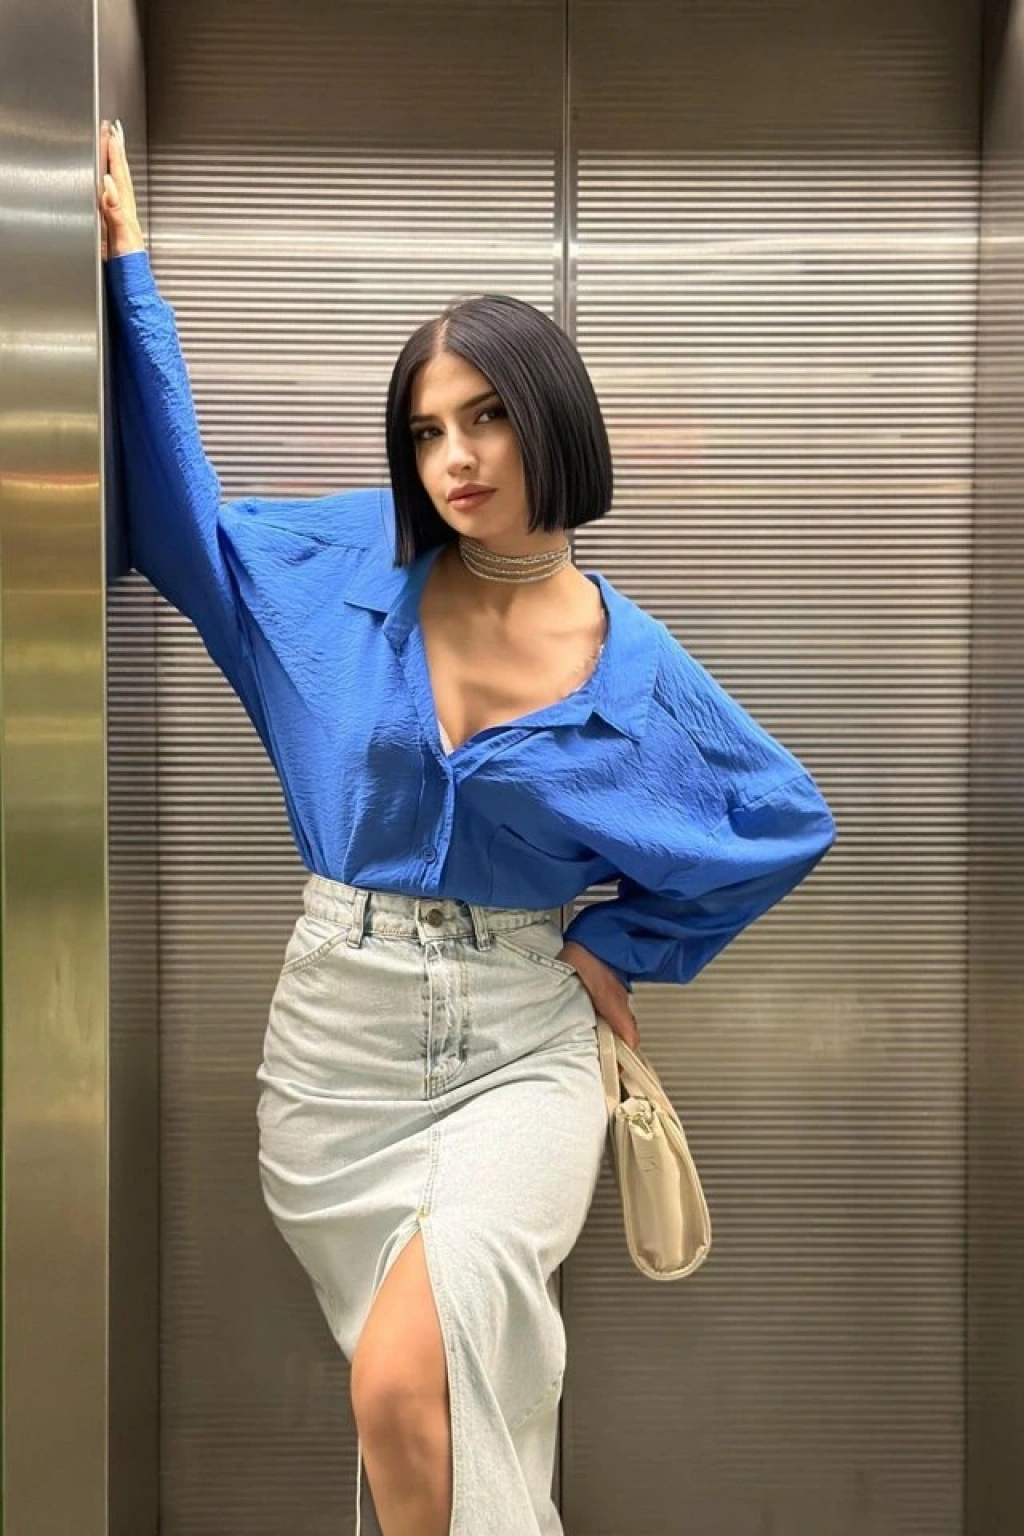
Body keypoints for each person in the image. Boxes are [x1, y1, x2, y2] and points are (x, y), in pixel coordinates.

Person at [98, 118, 836, 1536]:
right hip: (339, 1047)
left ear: (552, 420)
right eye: (427, 430)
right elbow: (183, 524)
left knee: (401, 1384)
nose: (456, 456)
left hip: (521, 1044)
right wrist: (134, 283)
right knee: (424, 1407)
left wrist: (621, 946)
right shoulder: (335, 567)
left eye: (488, 416)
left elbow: (781, 823)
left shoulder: (635, 669)